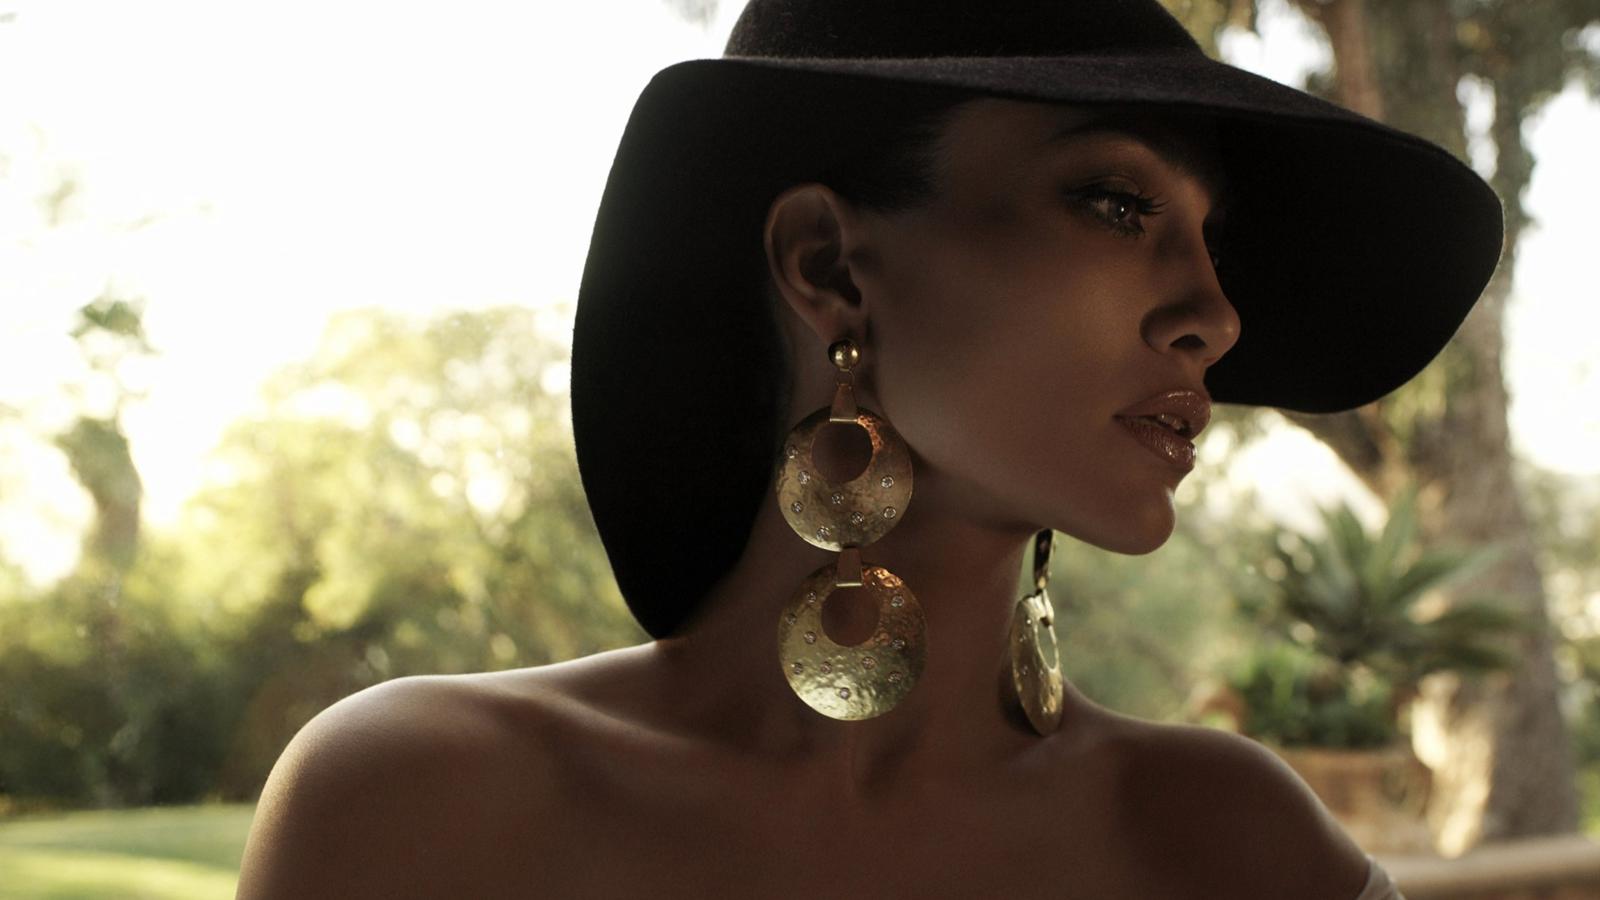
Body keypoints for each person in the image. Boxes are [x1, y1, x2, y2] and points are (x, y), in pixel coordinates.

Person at [236, 0, 1500, 897]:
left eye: (1212, 243)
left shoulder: (1242, 850)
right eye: (1118, 203)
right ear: (829, 266)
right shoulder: (421, 807)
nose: (1213, 315)